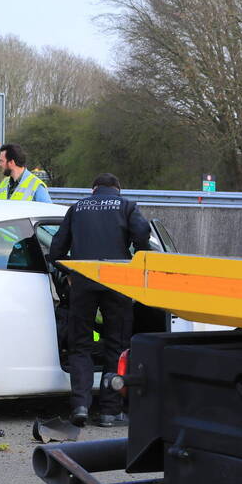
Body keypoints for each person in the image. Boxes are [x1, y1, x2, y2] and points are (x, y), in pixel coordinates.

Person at [49, 172, 150, 428]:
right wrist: (136, 262)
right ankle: (109, 412)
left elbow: (56, 250)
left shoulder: (77, 208)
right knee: (116, 345)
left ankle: (80, 406)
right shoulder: (127, 206)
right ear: (118, 189)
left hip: (83, 282)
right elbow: (142, 236)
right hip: (117, 282)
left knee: (80, 345)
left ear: (93, 189)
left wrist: (69, 272)